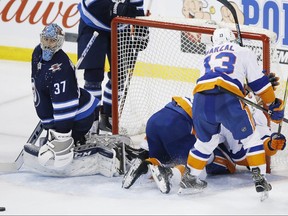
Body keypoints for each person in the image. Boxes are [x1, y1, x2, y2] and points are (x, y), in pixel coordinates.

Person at [176, 27, 284, 196]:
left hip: (200, 99)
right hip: (227, 97)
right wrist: (272, 104)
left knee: (205, 143)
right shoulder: (243, 50)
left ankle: (190, 177)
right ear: (233, 39)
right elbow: (260, 85)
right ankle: (260, 178)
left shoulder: (207, 54)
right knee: (251, 139)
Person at [122, 93, 286, 193]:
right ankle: (172, 174)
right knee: (210, 163)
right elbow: (238, 157)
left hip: (158, 119)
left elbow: (264, 141)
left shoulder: (228, 93)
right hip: (181, 126)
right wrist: (260, 153)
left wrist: (271, 145)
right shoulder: (242, 115)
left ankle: (145, 162)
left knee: (163, 156)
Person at [30, 23, 100, 169]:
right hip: (71, 109)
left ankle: (77, 139)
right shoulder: (37, 53)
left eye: (52, 41)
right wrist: (48, 123)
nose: (48, 45)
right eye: (45, 39)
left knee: (65, 137)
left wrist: (61, 134)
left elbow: (65, 107)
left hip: (81, 117)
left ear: (60, 42)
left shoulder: (62, 69)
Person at [77, 0, 147, 133]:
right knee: (93, 76)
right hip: (93, 22)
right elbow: (92, 4)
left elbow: (136, 7)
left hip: (119, 26)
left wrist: (141, 30)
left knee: (119, 75)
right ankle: (92, 119)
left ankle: (109, 116)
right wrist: (116, 7)